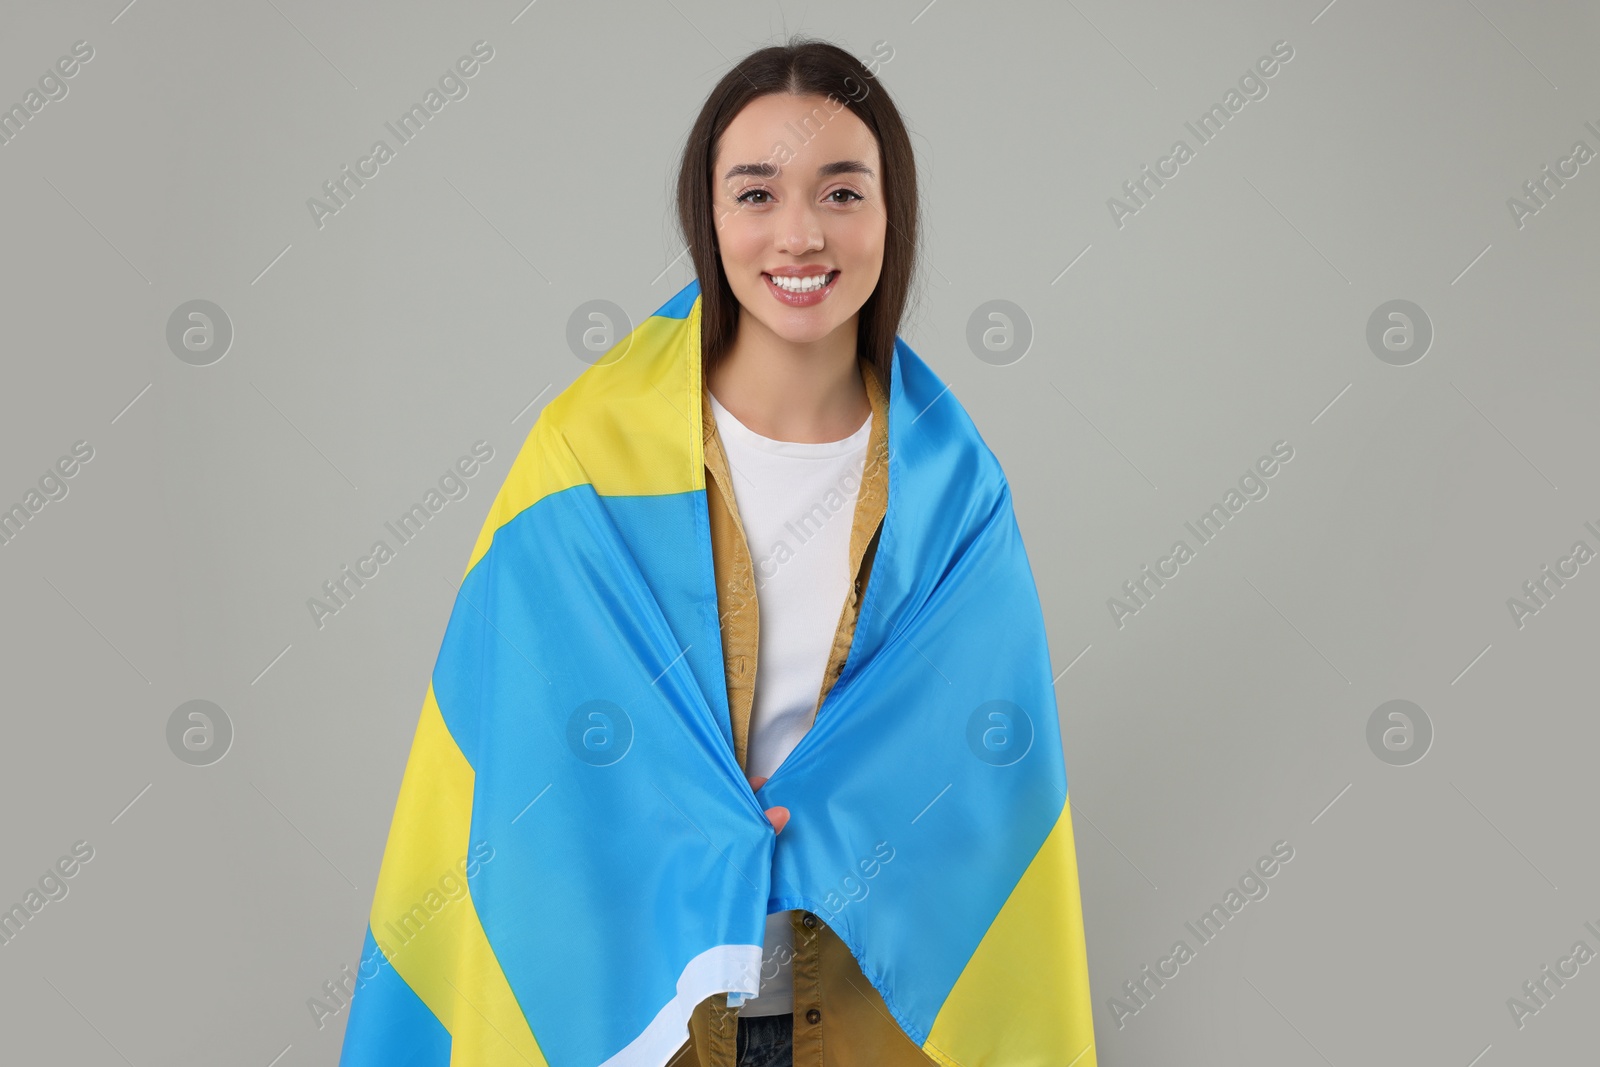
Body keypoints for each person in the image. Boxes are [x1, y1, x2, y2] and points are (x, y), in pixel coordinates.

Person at [668, 36, 934, 1067]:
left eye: (839, 191)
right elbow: (526, 733)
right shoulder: (591, 455)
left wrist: (833, 808)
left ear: (886, 213)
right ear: (710, 215)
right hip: (662, 991)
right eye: (755, 193)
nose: (798, 233)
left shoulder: (950, 485)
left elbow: (991, 772)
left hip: (871, 995)